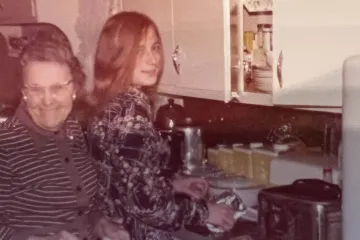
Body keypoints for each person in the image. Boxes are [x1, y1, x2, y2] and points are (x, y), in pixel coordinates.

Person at [86, 11, 236, 240]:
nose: (152, 60)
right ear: (116, 56)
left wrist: (172, 184)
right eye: (139, 51)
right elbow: (149, 207)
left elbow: (125, 182)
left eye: (155, 48)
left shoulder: (110, 104)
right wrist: (205, 213)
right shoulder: (131, 116)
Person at [0, 28, 129, 240]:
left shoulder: (72, 130)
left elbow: (80, 207)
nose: (47, 100)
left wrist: (101, 224)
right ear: (24, 93)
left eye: (57, 88)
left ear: (74, 89)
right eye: (35, 89)